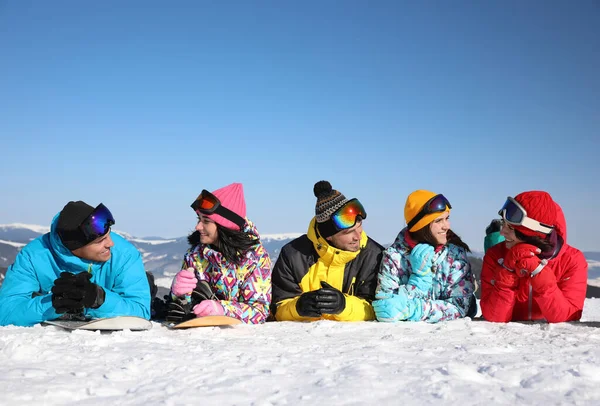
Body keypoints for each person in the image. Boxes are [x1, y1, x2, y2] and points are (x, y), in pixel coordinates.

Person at [0, 201, 151, 327]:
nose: (110, 243)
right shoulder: (33, 256)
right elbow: (5, 312)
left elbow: (141, 312)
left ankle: (148, 283)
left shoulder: (124, 254)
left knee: (145, 287)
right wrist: (54, 303)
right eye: (100, 241)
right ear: (75, 246)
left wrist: (99, 299)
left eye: (109, 234)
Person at [270, 181, 383, 322]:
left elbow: (380, 310)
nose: (358, 236)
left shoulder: (375, 256)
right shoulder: (293, 255)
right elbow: (278, 308)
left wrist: (344, 305)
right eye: (349, 232)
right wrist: (298, 307)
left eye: (359, 227)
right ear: (328, 236)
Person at [166, 183, 272, 324]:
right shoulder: (194, 254)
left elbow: (259, 312)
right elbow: (182, 307)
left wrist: (222, 310)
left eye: (206, 221)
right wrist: (177, 293)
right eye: (199, 219)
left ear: (225, 226)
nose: (198, 227)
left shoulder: (256, 257)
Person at [480, 191, 587, 323]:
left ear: (532, 232)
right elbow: (494, 318)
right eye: (503, 224)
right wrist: (507, 271)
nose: (502, 232)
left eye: (510, 228)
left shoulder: (571, 260)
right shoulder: (495, 255)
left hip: (553, 341)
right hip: (506, 341)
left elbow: (568, 318)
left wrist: (539, 272)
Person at [373, 190, 475, 323]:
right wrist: (418, 282)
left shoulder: (454, 255)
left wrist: (415, 309)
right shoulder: (394, 257)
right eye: (439, 220)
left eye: (447, 218)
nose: (447, 226)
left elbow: (459, 307)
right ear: (421, 226)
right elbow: (385, 307)